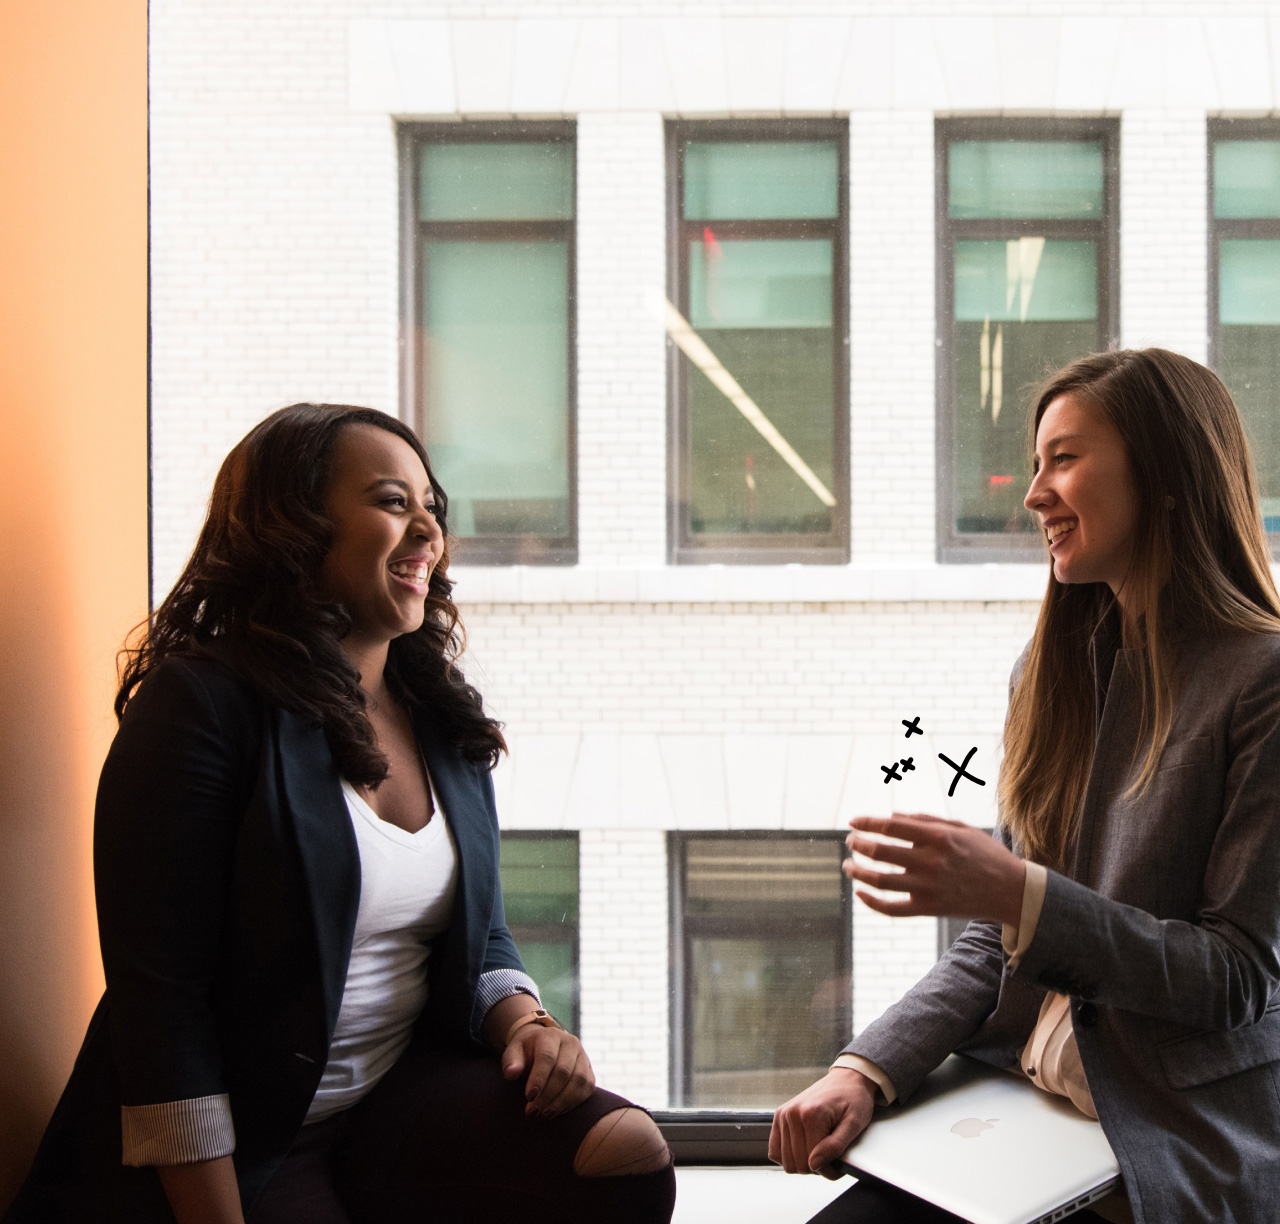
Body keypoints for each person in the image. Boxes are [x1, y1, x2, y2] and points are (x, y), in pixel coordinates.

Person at [5, 403, 676, 1224]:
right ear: (293, 528)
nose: (428, 530)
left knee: (624, 1157)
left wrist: (525, 1021)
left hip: (392, 1104)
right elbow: (161, 1005)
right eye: (395, 503)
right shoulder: (202, 707)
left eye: (433, 508)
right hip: (239, 1141)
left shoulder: (438, 715)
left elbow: (483, 931)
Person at [771, 348, 1280, 1224]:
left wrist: (1019, 892)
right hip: (1022, 1117)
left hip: (1165, 1138)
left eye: (1066, 459)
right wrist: (865, 1070)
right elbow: (993, 942)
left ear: (1165, 475)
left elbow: (1234, 978)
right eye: (1037, 462)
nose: (1034, 492)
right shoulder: (1047, 677)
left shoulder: (1262, 683)